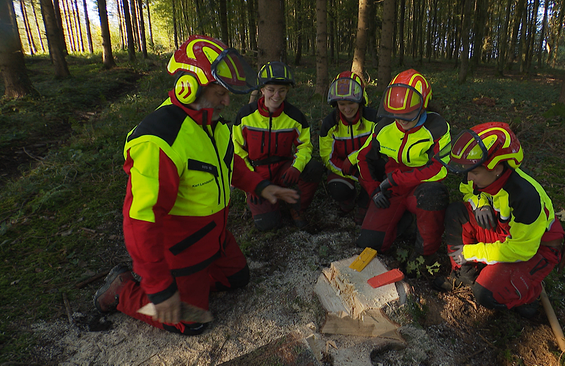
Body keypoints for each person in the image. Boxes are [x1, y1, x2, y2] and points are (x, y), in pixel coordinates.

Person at [93, 35, 299, 335]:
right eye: (221, 93)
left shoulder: (211, 122)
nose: (228, 102)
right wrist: (160, 288)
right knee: (190, 321)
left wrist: (261, 186)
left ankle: (191, 287)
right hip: (181, 248)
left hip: (214, 237)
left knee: (238, 278)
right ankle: (125, 290)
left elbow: (230, 164)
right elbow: (141, 221)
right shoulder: (160, 141)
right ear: (189, 88)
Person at [432, 122, 565, 318]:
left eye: (475, 173)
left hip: (534, 248)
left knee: (485, 294)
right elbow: (468, 189)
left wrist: (470, 252)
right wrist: (480, 203)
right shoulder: (480, 171)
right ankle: (464, 275)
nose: (469, 177)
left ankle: (529, 294)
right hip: (503, 233)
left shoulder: (525, 197)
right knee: (457, 212)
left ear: (497, 168)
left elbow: (520, 249)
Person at [356, 69, 451, 276]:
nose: (401, 120)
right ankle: (406, 224)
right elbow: (363, 158)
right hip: (392, 189)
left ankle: (425, 255)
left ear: (423, 105)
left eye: (407, 115)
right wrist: (374, 190)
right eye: (396, 115)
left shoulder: (437, 128)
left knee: (433, 197)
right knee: (369, 243)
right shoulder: (384, 127)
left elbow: (439, 168)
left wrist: (395, 179)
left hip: (422, 187)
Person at [232, 61, 322, 230]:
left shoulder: (295, 116)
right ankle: (265, 203)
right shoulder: (245, 115)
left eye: (282, 90)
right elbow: (237, 151)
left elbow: (305, 146)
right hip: (257, 173)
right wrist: (251, 183)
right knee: (269, 225)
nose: (276, 95)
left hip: (284, 170)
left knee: (313, 168)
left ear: (287, 91)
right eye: (271, 90)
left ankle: (297, 208)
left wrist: (297, 167)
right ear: (262, 90)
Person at [319, 71, 377, 224]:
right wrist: (351, 173)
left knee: (379, 172)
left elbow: (380, 147)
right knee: (338, 187)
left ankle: (365, 202)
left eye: (351, 103)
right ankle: (348, 199)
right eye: (342, 104)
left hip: (370, 167)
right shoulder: (329, 124)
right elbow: (327, 157)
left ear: (361, 100)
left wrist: (356, 160)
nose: (347, 108)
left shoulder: (374, 119)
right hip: (343, 169)